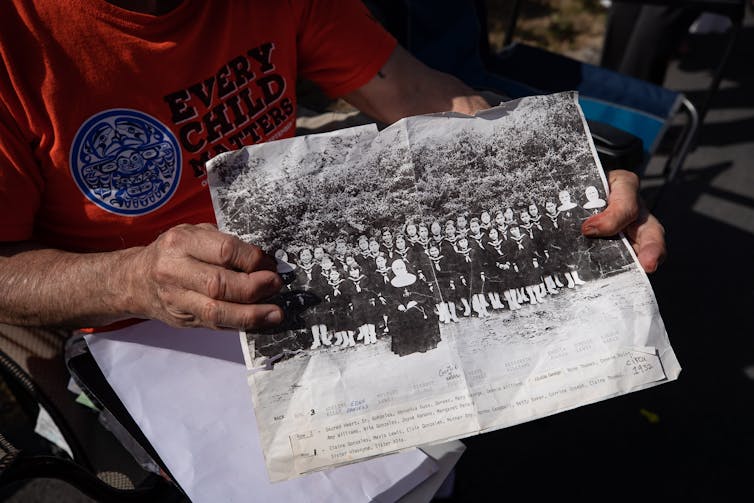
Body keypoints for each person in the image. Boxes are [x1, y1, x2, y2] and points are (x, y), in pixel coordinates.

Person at [0, 0, 665, 337]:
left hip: (296, 290)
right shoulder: (17, 37)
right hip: (129, 338)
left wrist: (568, 174)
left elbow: (424, 96)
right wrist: (131, 279)